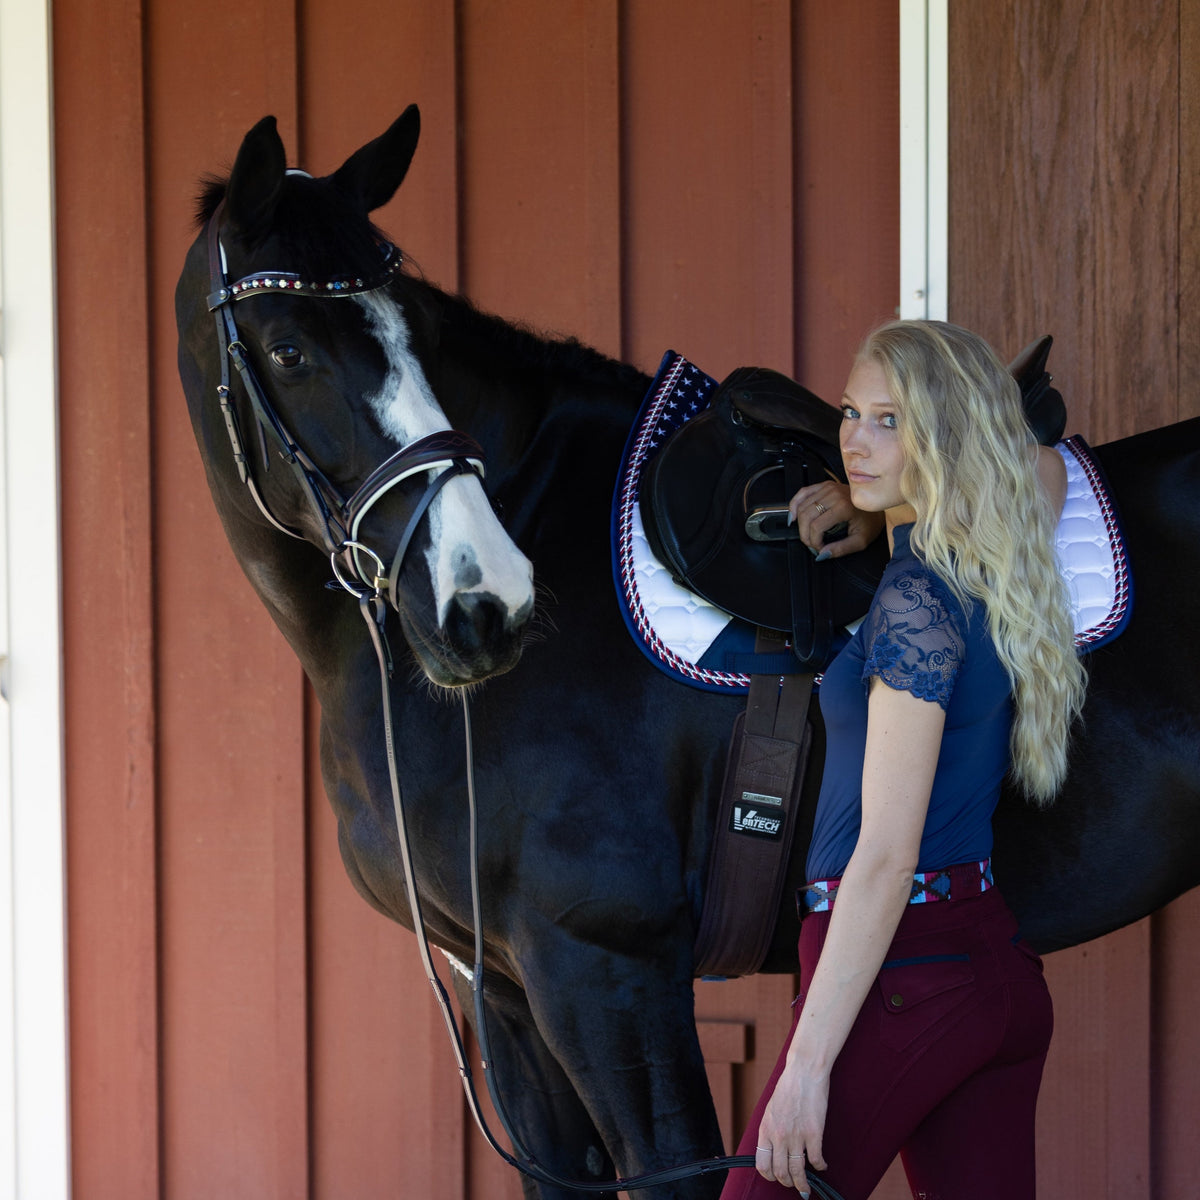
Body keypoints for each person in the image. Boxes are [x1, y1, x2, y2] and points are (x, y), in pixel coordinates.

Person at [720, 319, 1087, 1200]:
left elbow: (885, 857)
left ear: (947, 435)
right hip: (989, 968)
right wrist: (876, 501)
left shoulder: (915, 598)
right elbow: (1039, 468)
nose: (853, 437)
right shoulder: (995, 553)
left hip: (903, 974)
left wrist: (808, 1067)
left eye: (891, 420)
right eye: (852, 412)